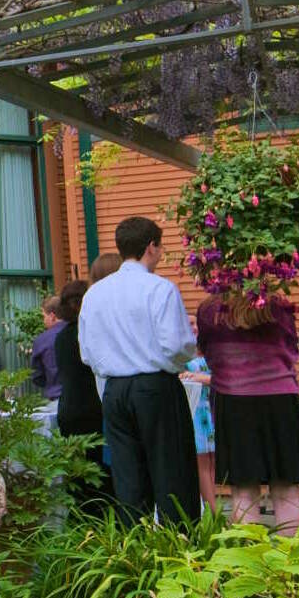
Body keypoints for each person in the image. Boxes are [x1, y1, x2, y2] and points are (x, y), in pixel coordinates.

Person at [78, 217, 199, 525]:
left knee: (128, 478)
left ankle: (136, 555)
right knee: (172, 472)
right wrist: (179, 362)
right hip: (155, 386)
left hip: (115, 391)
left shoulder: (94, 294)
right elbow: (177, 345)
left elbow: (87, 352)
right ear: (151, 248)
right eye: (160, 247)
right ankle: (179, 552)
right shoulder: (160, 289)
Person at [196, 292, 299, 531]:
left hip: (234, 402)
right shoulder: (278, 306)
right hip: (282, 401)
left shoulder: (210, 311)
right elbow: (290, 350)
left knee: (243, 492)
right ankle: (290, 563)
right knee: (286, 492)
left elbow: (207, 354)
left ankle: (251, 564)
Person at [52, 279, 111, 510]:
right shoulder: (89, 333)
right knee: (99, 470)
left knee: (76, 471)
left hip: (68, 407)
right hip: (92, 408)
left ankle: (80, 516)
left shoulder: (60, 336)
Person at [179, 350, 218, 515]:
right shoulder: (182, 352)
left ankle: (212, 507)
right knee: (201, 462)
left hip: (210, 410)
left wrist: (202, 378)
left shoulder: (210, 349)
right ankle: (213, 513)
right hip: (194, 410)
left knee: (212, 461)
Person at [30, 295, 64, 401]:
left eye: (44, 316)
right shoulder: (80, 331)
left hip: (57, 396)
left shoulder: (42, 340)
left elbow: (37, 375)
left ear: (52, 316)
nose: (43, 321)